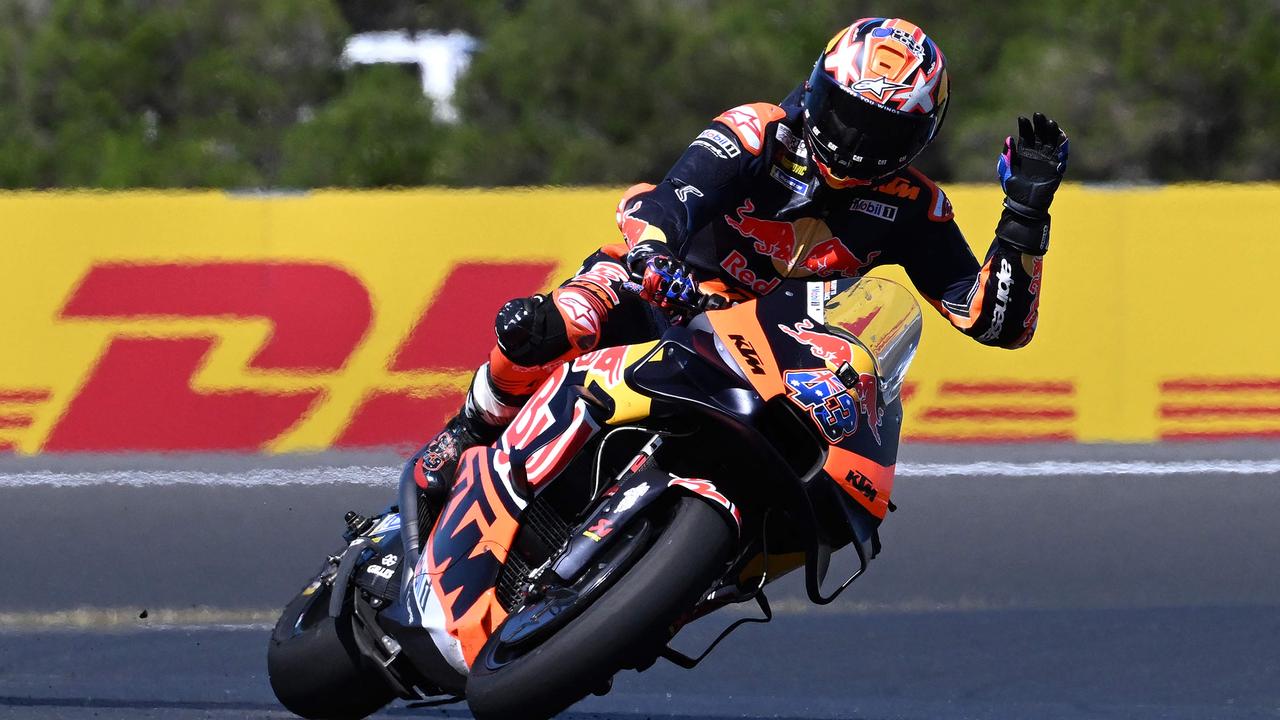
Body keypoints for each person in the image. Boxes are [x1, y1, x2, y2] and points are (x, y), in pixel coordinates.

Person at [410, 17, 1069, 496]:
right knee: (551, 323)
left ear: (916, 140)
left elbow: (993, 323)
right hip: (666, 287)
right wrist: (655, 259)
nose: (853, 140)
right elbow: (671, 203)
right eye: (844, 114)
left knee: (806, 478)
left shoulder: (912, 208)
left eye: (881, 131)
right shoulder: (756, 130)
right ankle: (467, 431)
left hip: (767, 352)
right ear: (817, 89)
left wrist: (1024, 216)